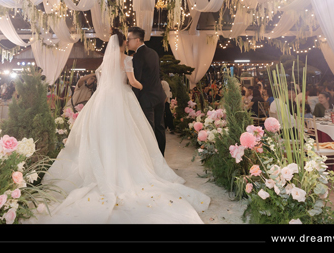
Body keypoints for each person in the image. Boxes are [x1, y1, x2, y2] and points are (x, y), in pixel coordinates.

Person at [24, 27, 209, 224]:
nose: (128, 42)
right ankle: (132, 165)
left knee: (105, 134)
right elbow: (133, 81)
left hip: (102, 101)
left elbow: (101, 77)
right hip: (124, 97)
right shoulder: (129, 59)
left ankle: (105, 164)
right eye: (126, 40)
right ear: (123, 44)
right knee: (131, 133)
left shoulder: (106, 61)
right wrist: (144, 87)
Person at [127, 26, 168, 156]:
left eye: (129, 39)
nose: (127, 42)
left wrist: (133, 101)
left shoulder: (138, 56)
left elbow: (137, 81)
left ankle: (153, 159)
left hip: (147, 99)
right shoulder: (153, 53)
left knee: (148, 130)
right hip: (159, 96)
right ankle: (161, 157)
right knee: (160, 128)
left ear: (137, 40)